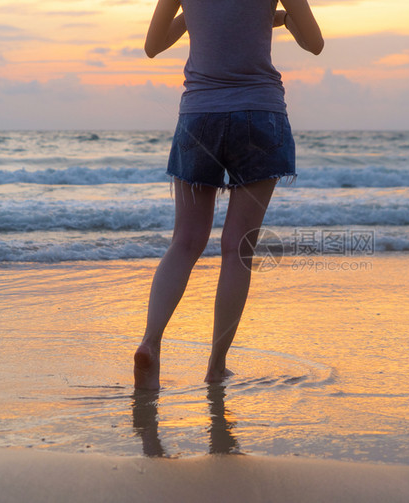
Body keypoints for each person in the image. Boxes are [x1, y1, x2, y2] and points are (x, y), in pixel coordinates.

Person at [134, 0, 324, 388]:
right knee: (238, 249)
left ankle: (150, 343)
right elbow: (315, 43)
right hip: (260, 113)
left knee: (185, 242)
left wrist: (196, 16)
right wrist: (284, 19)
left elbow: (153, 45)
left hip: (199, 116)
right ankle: (216, 366)